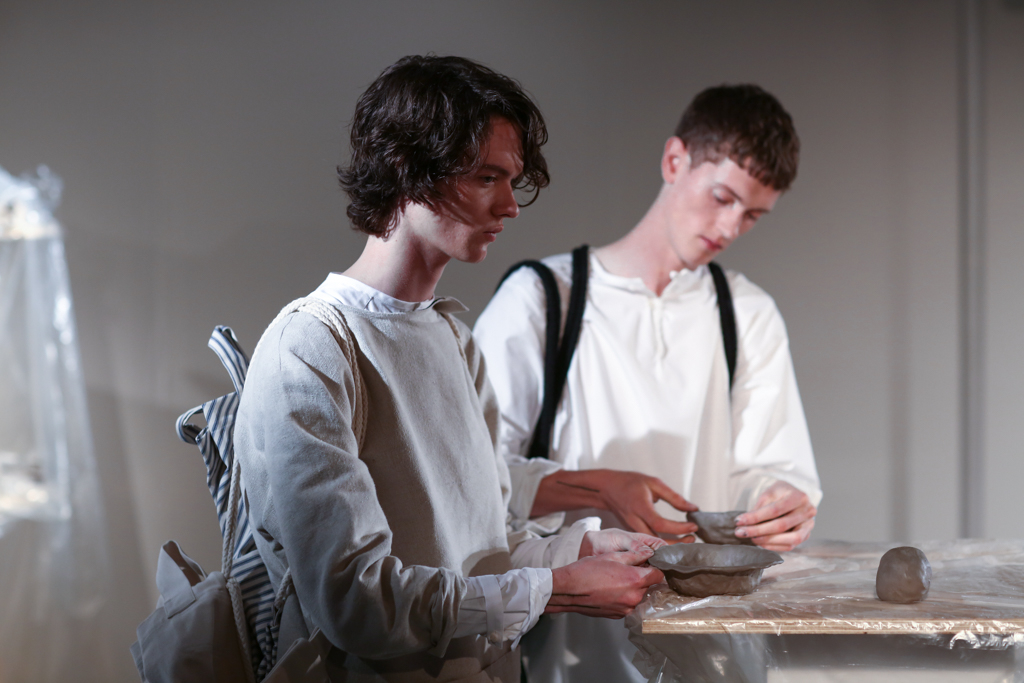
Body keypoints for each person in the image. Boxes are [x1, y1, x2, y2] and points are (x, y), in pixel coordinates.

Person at [233, 55, 666, 683]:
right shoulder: (311, 347)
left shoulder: (455, 339)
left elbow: (481, 553)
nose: (510, 206)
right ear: (406, 170)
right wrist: (555, 588)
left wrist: (579, 550)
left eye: (512, 181)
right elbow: (356, 602)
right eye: (488, 177)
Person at [474, 84, 822, 682]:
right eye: (722, 197)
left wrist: (783, 501)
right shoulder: (542, 300)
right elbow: (476, 484)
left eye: (752, 215)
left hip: (712, 649)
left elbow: (770, 467)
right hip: (571, 647)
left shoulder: (747, 313)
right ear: (674, 160)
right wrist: (599, 488)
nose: (730, 226)